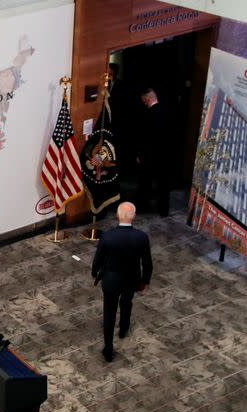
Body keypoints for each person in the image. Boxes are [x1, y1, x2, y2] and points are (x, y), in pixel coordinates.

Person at [91, 202, 152, 362]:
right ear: (134, 216)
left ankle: (108, 348)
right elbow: (147, 263)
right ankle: (124, 328)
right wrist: (145, 281)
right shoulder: (141, 237)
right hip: (131, 279)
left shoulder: (108, 236)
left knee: (109, 312)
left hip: (111, 280)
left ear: (117, 216)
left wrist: (94, 273)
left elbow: (98, 259)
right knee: (127, 302)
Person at [137, 88, 170, 216]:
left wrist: (140, 155)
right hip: (164, 155)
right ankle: (164, 210)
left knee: (145, 182)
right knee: (163, 184)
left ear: (147, 99)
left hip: (149, 155)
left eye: (143, 101)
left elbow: (144, 138)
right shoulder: (168, 112)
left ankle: (143, 206)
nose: (143, 103)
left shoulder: (147, 115)